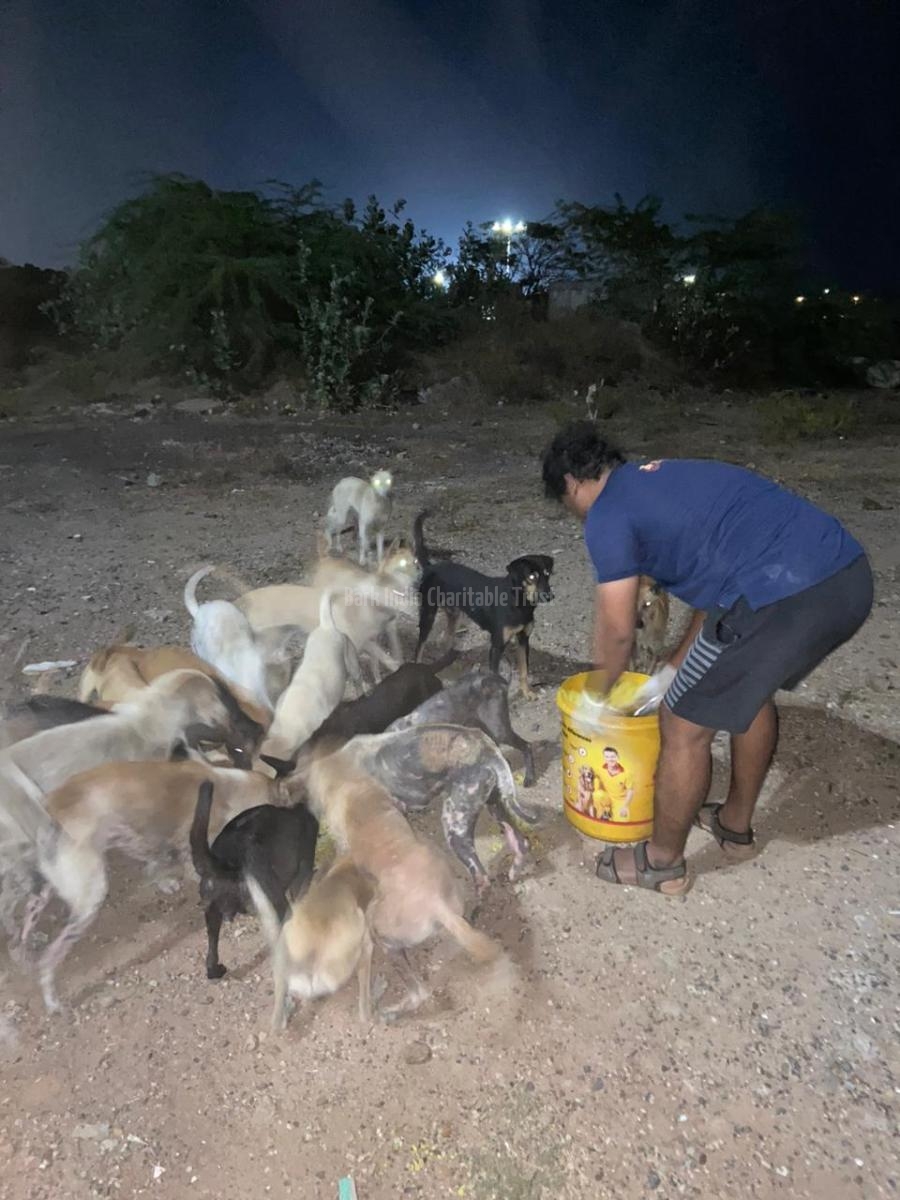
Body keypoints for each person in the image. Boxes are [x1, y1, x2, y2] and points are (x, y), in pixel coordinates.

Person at [541, 420, 873, 896]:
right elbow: (717, 594)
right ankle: (734, 827)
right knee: (745, 690)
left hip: (785, 590)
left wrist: (598, 700)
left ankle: (661, 863)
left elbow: (616, 632)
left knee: (682, 722)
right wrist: (672, 669)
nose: (574, 513)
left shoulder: (608, 514)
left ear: (571, 483)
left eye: (566, 502)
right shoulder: (663, 481)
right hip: (844, 578)